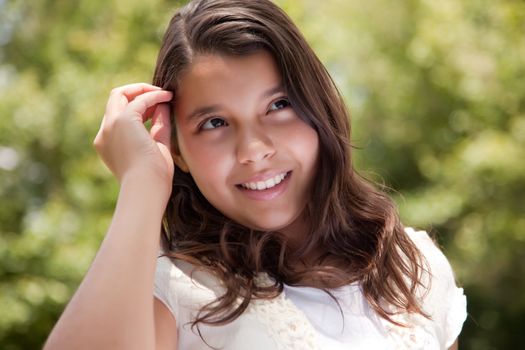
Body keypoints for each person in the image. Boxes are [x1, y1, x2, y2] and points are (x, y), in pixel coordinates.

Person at [44, 0, 467, 349]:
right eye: (214, 123)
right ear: (179, 151)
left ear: (318, 107)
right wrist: (141, 183)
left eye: (279, 105)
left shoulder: (413, 266)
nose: (254, 149)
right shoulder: (172, 294)